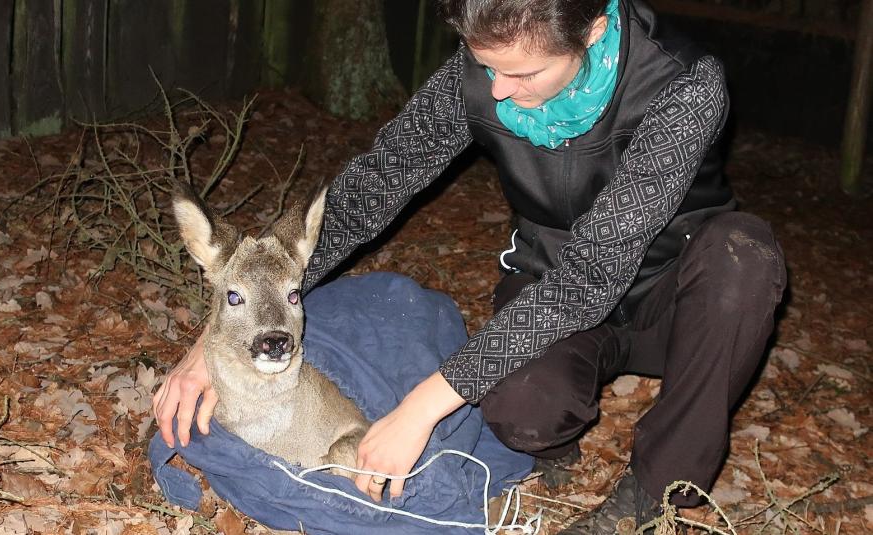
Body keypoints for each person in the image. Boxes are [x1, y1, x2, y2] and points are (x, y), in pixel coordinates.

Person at [152, 0, 787, 532]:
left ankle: (655, 493)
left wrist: (418, 409)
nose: (500, 91)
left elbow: (593, 276)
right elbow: (377, 185)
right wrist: (216, 341)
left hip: (677, 294)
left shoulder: (682, 81)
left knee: (744, 258)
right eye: (487, 68)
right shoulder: (487, 65)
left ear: (592, 29)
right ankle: (554, 444)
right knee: (521, 411)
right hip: (551, 284)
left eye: (524, 73)